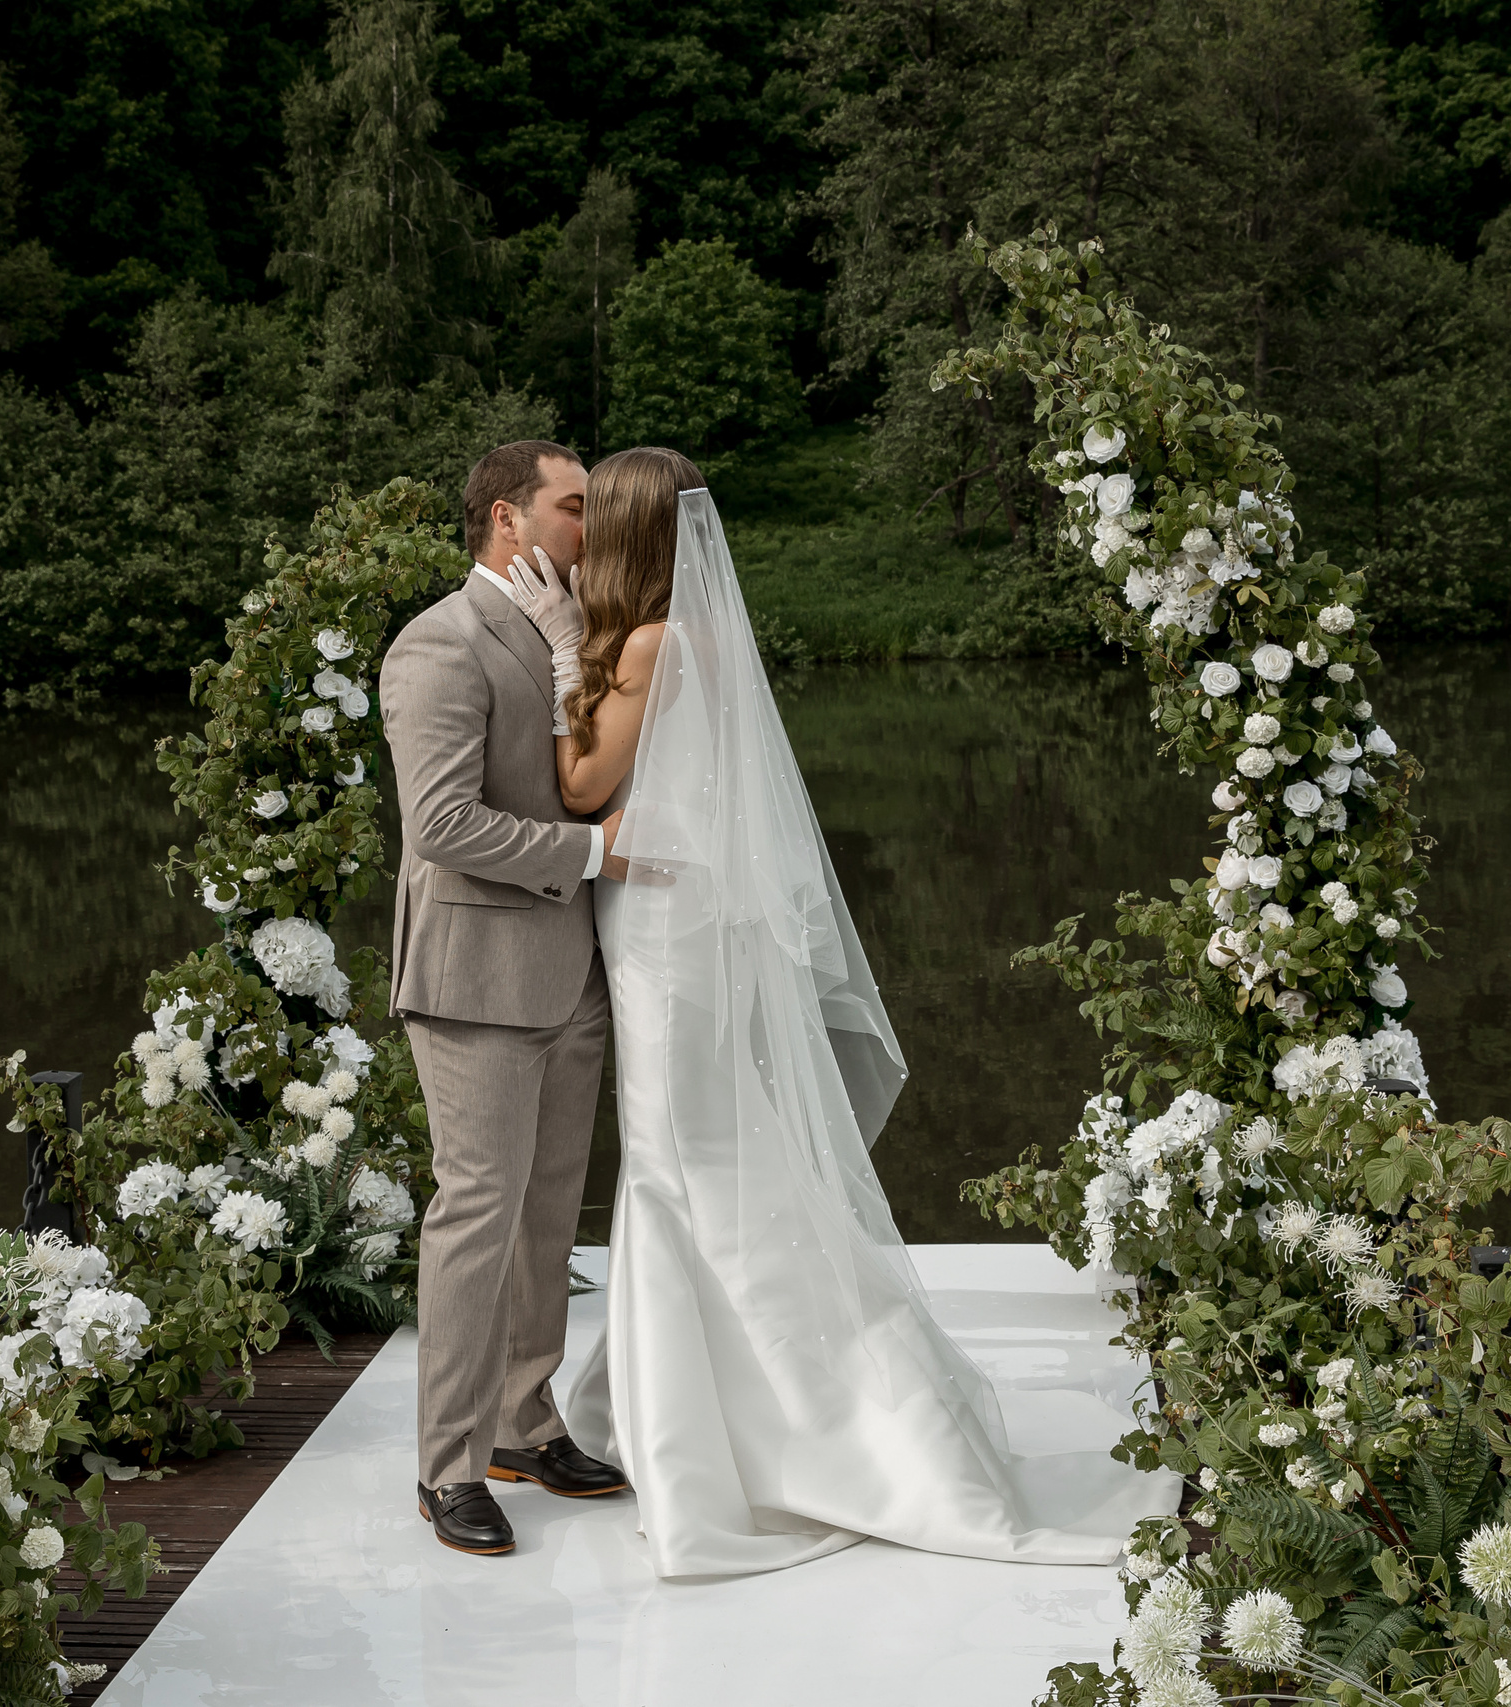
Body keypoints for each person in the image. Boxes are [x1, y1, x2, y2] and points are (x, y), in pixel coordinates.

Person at [494, 445, 1169, 1577]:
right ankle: (704, 1408)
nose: (578, 541)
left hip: (662, 930)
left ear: (625, 538)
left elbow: (578, 791)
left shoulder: (652, 643)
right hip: (670, 917)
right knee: (700, 1151)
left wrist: (562, 651)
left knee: (679, 1159)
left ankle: (752, 1431)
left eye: (592, 521)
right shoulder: (683, 636)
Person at [377, 441, 632, 1557]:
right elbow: (439, 826)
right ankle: (444, 1470)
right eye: (574, 507)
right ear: (505, 521)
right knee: (476, 1216)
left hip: (571, 975)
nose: (594, 527)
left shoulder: (574, 637)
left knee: (544, 1218)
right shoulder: (439, 642)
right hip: (476, 978)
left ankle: (523, 1424)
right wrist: (594, 857)